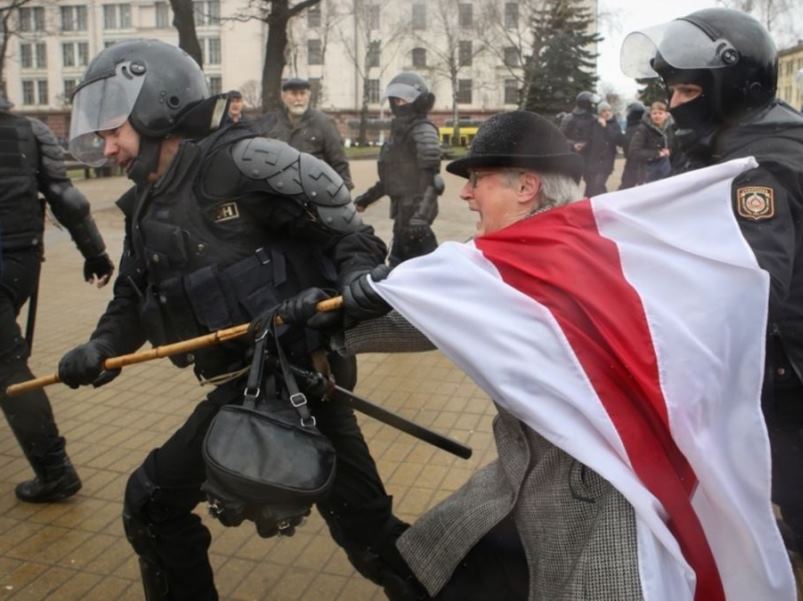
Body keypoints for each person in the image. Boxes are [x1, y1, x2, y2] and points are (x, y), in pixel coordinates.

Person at [57, 39, 419, 601]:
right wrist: (101, 346)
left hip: (298, 378)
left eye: (114, 132)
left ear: (156, 107)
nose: (107, 150)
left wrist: (353, 287)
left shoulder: (244, 164)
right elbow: (132, 291)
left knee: (153, 502)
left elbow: (351, 236)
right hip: (246, 384)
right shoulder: (147, 201)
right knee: (367, 534)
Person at [286, 111, 645, 599]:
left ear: (527, 188)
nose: (465, 193)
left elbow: (440, 308)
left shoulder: (514, 268)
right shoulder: (583, 242)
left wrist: (322, 318)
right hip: (535, 486)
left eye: (478, 180)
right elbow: (441, 306)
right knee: (437, 564)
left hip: (598, 512)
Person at [621, 7, 803, 559]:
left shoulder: (758, 167)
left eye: (685, 90)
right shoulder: (740, 140)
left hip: (785, 370)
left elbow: (752, 286)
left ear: (728, 87)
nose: (673, 104)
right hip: (766, 363)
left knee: (789, 490)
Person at [0, 95, 114, 503]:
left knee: (8, 369)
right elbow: (67, 197)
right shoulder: (31, 130)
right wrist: (95, 253)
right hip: (21, 263)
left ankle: (55, 472)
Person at [353, 72, 442, 267]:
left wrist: (421, 217)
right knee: (402, 263)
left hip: (416, 215)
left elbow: (434, 181)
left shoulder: (423, 130)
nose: (398, 104)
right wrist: (365, 200)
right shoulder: (399, 132)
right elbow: (391, 179)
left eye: (404, 100)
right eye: (396, 100)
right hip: (402, 213)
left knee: (424, 264)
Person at [255, 77, 353, 189]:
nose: (299, 98)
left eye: (303, 94)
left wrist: (344, 189)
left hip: (314, 190)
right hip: (279, 191)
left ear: (309, 96)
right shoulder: (272, 122)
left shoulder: (324, 123)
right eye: (294, 94)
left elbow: (339, 160)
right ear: (283, 96)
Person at [581, 101, 625, 196]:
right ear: (599, 113)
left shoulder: (614, 124)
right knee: (591, 187)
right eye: (604, 111)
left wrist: (606, 126)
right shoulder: (593, 124)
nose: (607, 113)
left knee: (597, 185)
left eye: (609, 110)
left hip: (606, 162)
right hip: (593, 161)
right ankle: (596, 206)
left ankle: (604, 204)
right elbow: (589, 142)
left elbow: (619, 140)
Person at [627, 101, 675, 184]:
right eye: (654, 113)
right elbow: (633, 151)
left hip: (666, 171)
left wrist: (669, 151)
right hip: (648, 172)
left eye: (660, 113)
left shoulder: (669, 128)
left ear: (666, 115)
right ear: (650, 114)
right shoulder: (643, 129)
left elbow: (675, 146)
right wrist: (657, 153)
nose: (657, 116)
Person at [619, 101, 646, 189]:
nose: (627, 114)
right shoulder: (630, 126)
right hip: (630, 162)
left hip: (638, 164)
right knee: (625, 188)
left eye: (629, 111)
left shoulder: (640, 128)